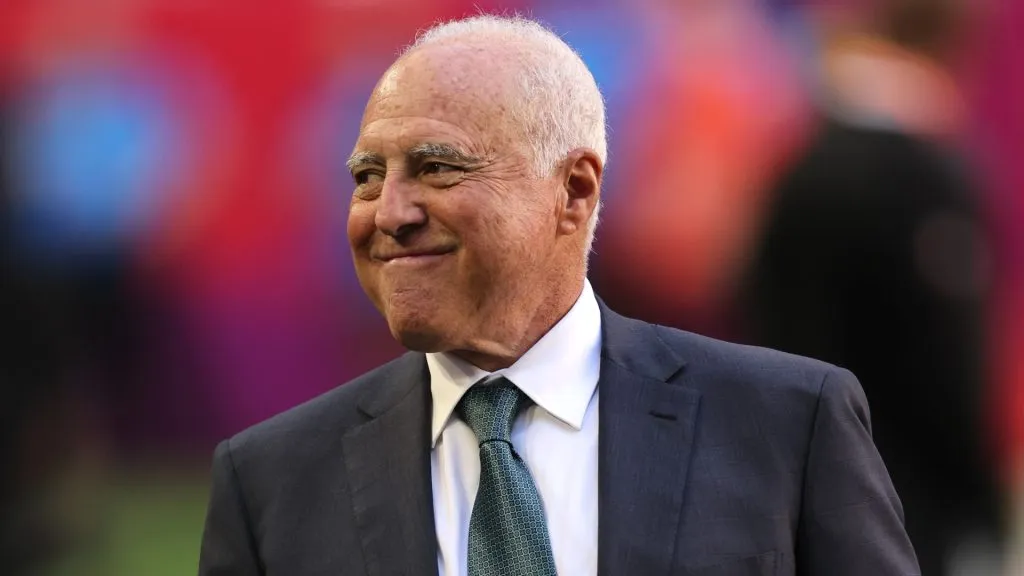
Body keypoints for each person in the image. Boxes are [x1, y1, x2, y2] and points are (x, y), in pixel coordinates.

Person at [198, 15, 919, 576]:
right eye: (366, 176)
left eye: (437, 167)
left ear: (573, 192)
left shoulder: (788, 424)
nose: (388, 212)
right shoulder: (269, 481)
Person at [741, 2, 1003, 574]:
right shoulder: (922, 174)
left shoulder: (798, 162)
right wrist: (983, 503)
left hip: (798, 492)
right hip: (905, 505)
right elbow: (950, 367)